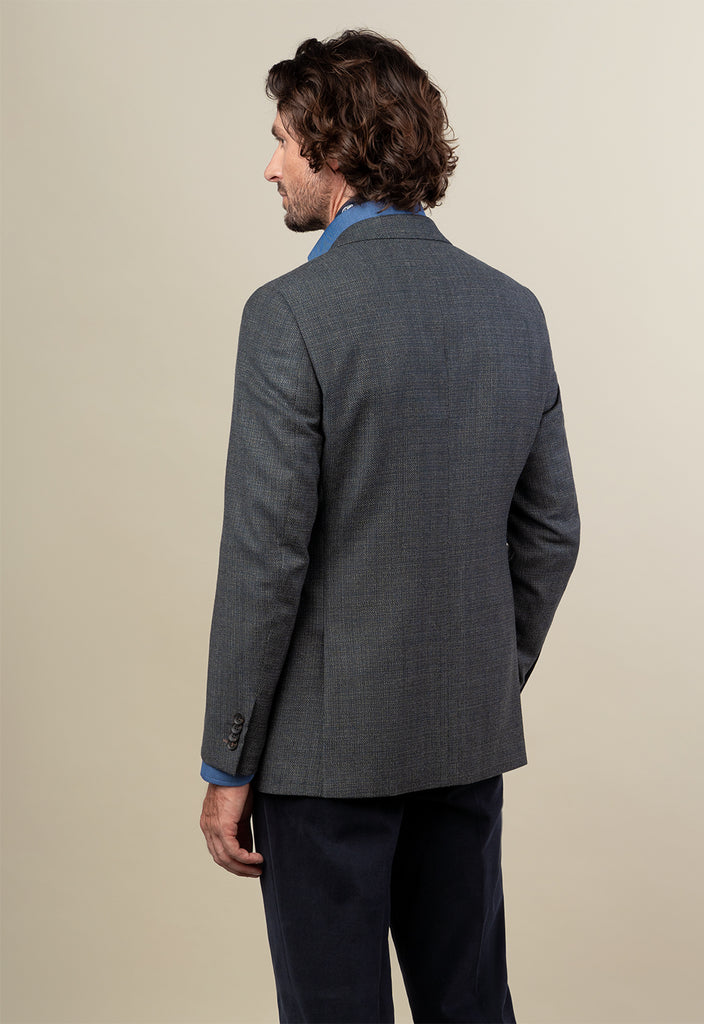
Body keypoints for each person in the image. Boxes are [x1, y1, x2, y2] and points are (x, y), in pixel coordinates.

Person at [199, 29, 580, 1024]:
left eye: (282, 140)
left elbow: (265, 562)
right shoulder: (515, 311)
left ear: (333, 147)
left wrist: (227, 764)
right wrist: (483, 670)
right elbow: (550, 532)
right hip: (464, 739)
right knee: (470, 1004)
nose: (271, 166)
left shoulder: (290, 315)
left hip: (324, 762)